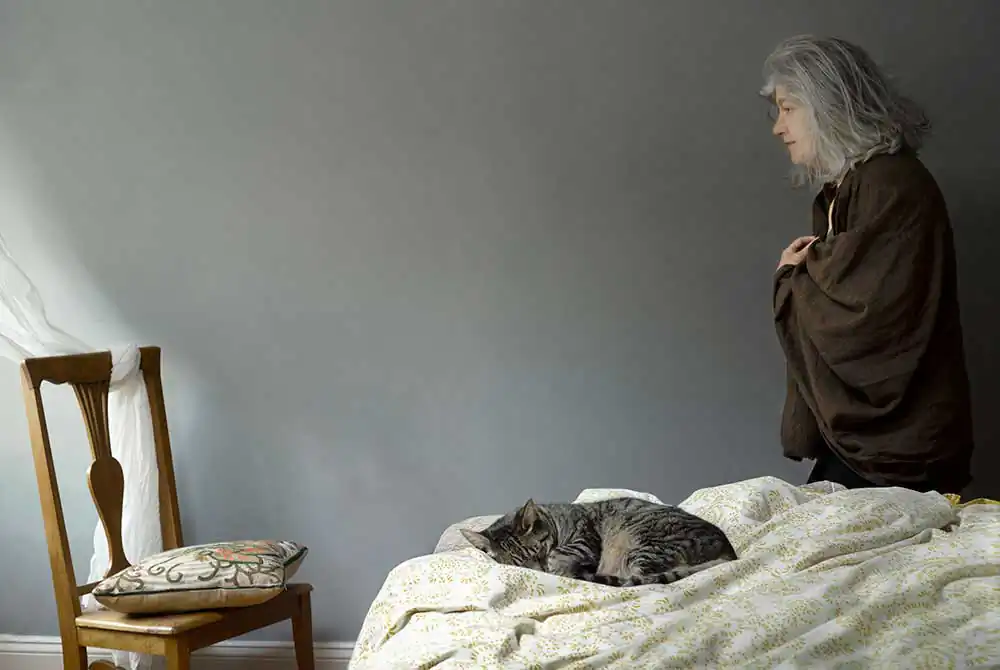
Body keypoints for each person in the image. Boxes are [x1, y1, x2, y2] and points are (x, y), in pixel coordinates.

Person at [762, 35, 974, 493]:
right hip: (869, 444)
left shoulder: (889, 184)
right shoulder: (850, 186)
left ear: (828, 104)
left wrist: (793, 276)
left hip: (902, 444)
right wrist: (803, 275)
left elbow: (869, 320)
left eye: (788, 108)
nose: (778, 127)